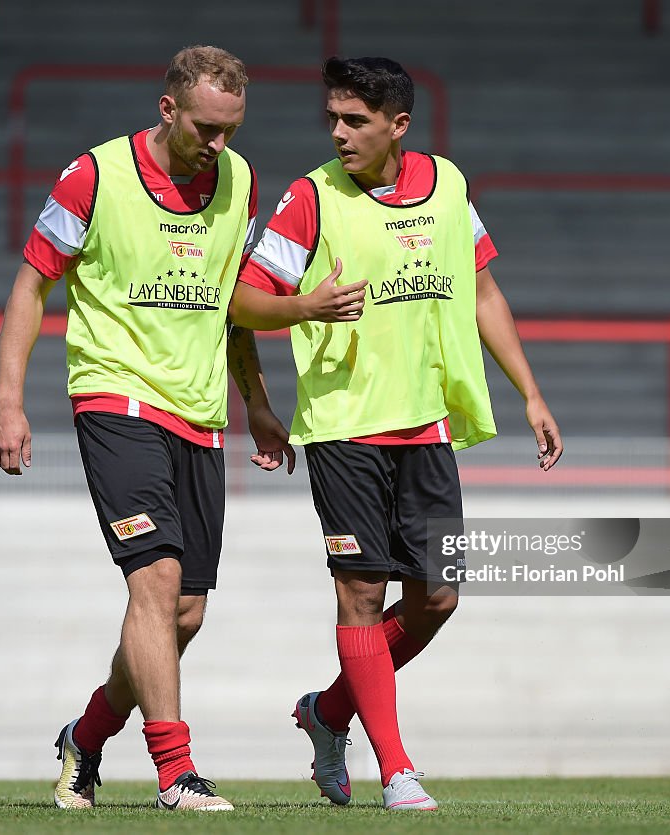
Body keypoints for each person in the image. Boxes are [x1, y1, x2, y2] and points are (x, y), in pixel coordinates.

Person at [229, 56, 563, 811]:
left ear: (398, 125)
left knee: (438, 598)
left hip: (426, 428)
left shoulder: (449, 186)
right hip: (344, 428)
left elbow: (482, 290)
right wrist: (305, 307)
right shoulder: (311, 197)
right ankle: (398, 769)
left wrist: (532, 394)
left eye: (356, 120)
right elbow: (244, 301)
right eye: (333, 119)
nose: (338, 133)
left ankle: (329, 709)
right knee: (361, 591)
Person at [0, 44, 294, 813]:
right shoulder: (94, 176)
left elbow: (231, 302)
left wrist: (254, 398)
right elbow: (32, 283)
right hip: (114, 398)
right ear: (168, 110)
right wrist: (8, 401)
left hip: (200, 414)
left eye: (231, 129)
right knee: (154, 581)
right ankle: (175, 770)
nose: (218, 145)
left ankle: (85, 737)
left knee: (183, 611)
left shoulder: (242, 180)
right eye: (205, 128)